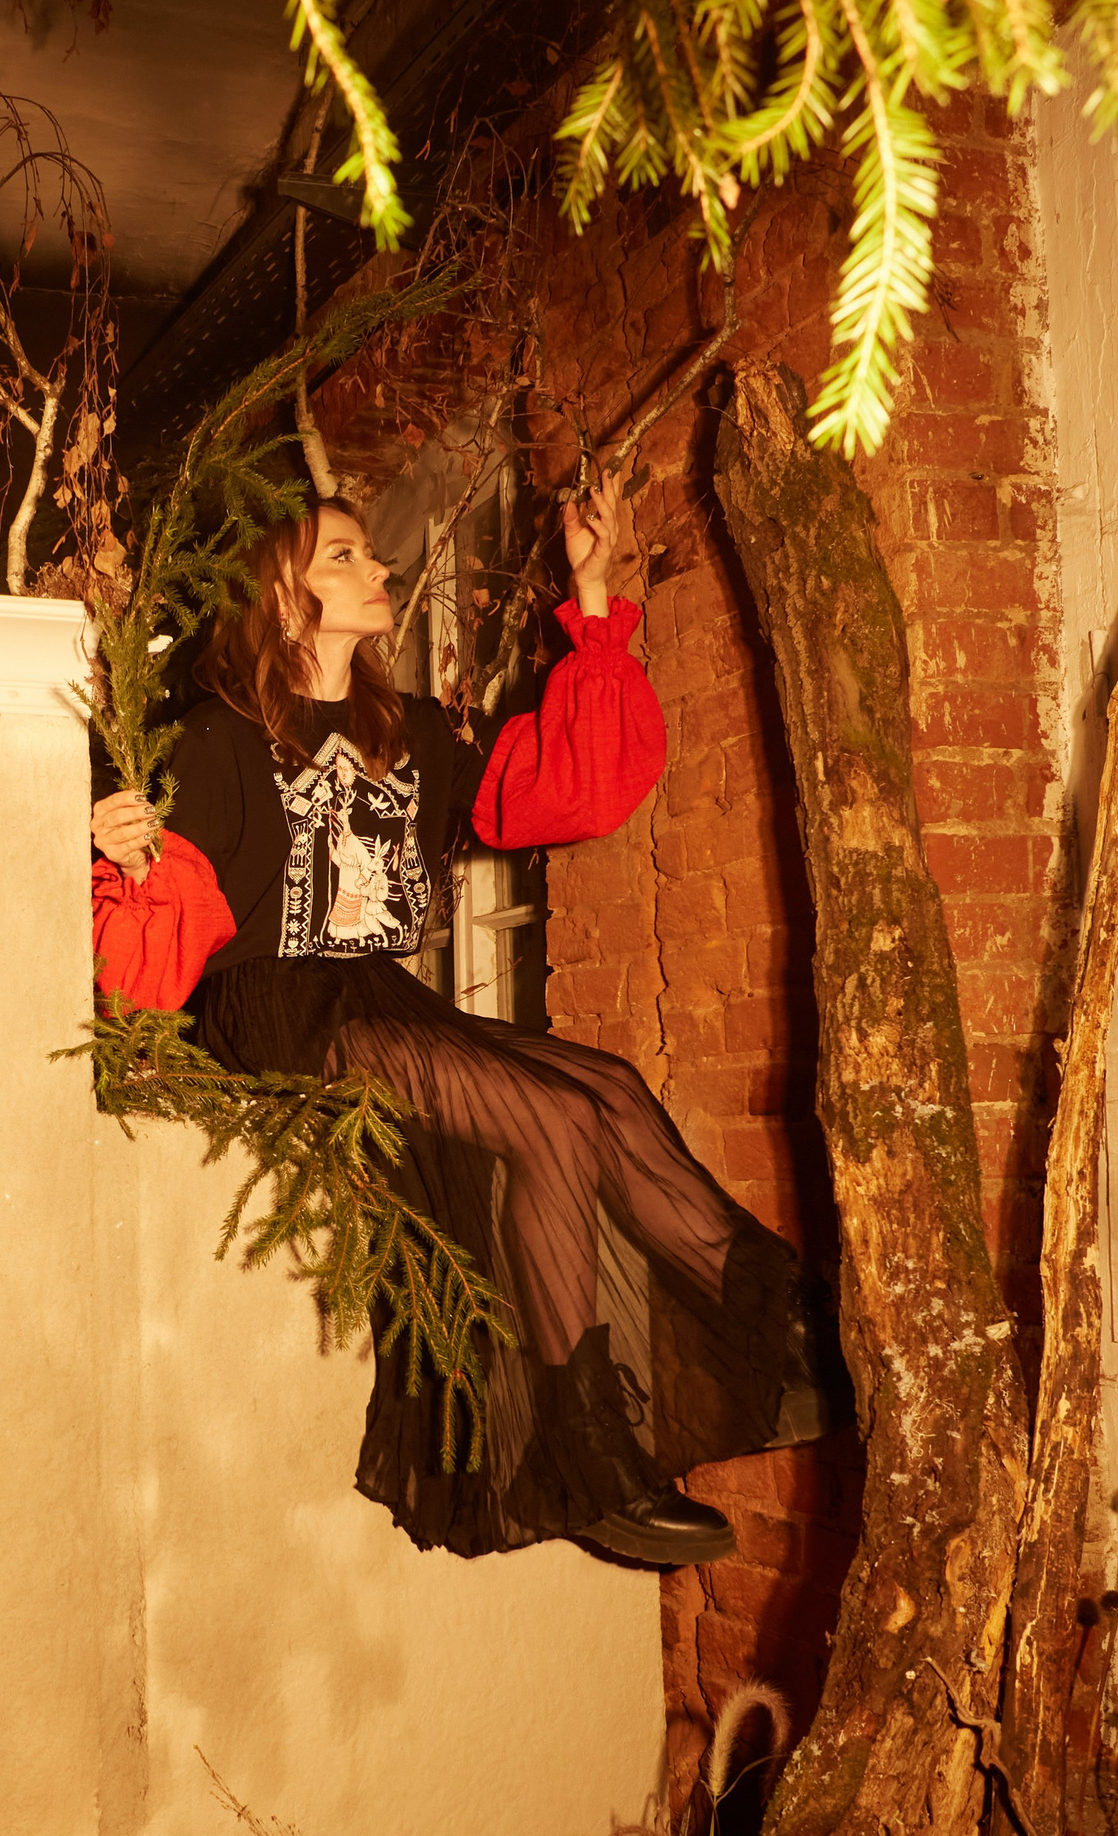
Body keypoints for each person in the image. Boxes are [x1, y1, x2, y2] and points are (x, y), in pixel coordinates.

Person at [88, 486, 834, 1568]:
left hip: (383, 999)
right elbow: (156, 961)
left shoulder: (417, 733)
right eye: (345, 556)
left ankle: (783, 1331)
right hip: (273, 1006)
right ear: (284, 599)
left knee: (609, 1089)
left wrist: (592, 592)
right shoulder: (216, 739)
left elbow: (569, 792)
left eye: (369, 553)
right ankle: (590, 1445)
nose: (378, 569)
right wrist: (129, 856)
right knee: (552, 1121)